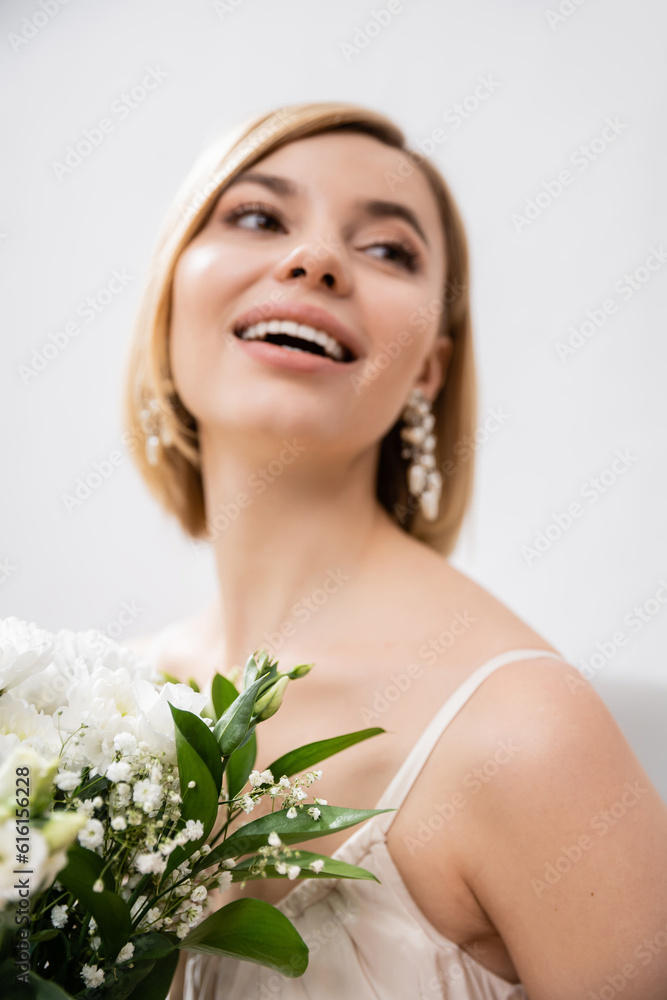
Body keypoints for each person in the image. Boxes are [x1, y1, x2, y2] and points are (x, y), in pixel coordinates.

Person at [122, 101, 667, 999]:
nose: (316, 260)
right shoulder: (62, 722)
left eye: (387, 250)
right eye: (257, 217)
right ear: (170, 293)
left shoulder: (528, 737)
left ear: (429, 371)